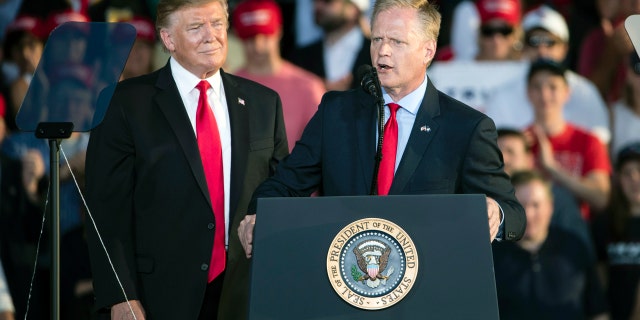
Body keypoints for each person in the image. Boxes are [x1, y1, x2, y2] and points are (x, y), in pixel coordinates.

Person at [238, 0, 526, 262]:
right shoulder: (337, 112)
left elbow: (513, 214)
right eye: (377, 39)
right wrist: (257, 215)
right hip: (345, 282)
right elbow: (285, 184)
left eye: (397, 41)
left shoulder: (466, 127)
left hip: (427, 288)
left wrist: (494, 213)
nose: (382, 51)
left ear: (428, 50)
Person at [84, 0, 288, 319]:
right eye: (196, 27)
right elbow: (106, 212)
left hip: (245, 292)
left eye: (218, 23)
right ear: (168, 40)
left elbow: (281, 192)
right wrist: (120, 295)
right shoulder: (125, 104)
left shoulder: (265, 103)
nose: (212, 36)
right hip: (158, 296)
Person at [492, 170, 609, 320]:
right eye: (519, 205)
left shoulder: (574, 247)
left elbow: (598, 311)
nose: (528, 214)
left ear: (550, 207)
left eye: (536, 205)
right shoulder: (492, 254)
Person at [485, 5, 611, 144]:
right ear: (523, 48)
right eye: (534, 42)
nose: (542, 50)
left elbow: (600, 146)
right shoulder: (503, 95)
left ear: (564, 48)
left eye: (550, 42)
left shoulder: (585, 91)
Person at [232, 0, 326, 151]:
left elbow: (323, 148)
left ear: (279, 31)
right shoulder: (226, 86)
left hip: (292, 173)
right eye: (250, 38)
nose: (258, 46)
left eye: (265, 36)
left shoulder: (307, 87)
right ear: (238, 37)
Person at [524, 58, 611, 221]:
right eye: (537, 87)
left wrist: (552, 168)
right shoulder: (519, 142)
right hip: (527, 231)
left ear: (567, 92)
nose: (544, 94)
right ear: (528, 93)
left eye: (552, 87)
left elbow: (601, 198)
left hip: (574, 231)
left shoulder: (589, 141)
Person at [592, 142, 640, 320]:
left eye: (639, 170)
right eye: (627, 173)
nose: (635, 178)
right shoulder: (604, 222)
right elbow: (598, 274)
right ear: (618, 179)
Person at [289, 0, 372, 90]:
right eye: (314, 1)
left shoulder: (377, 53)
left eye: (328, 1)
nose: (317, 6)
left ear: (353, 9)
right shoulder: (301, 57)